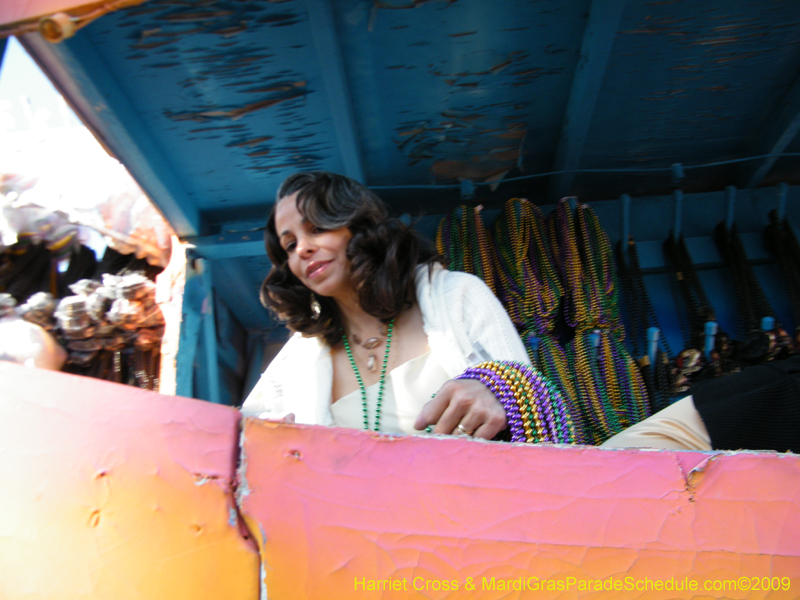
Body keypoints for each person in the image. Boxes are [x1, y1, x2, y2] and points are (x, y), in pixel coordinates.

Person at [241, 171, 530, 439]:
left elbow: (530, 400)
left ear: (358, 226)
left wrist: (500, 394)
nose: (303, 248)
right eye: (290, 245)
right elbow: (246, 436)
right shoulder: (299, 357)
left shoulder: (456, 296)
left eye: (317, 228)